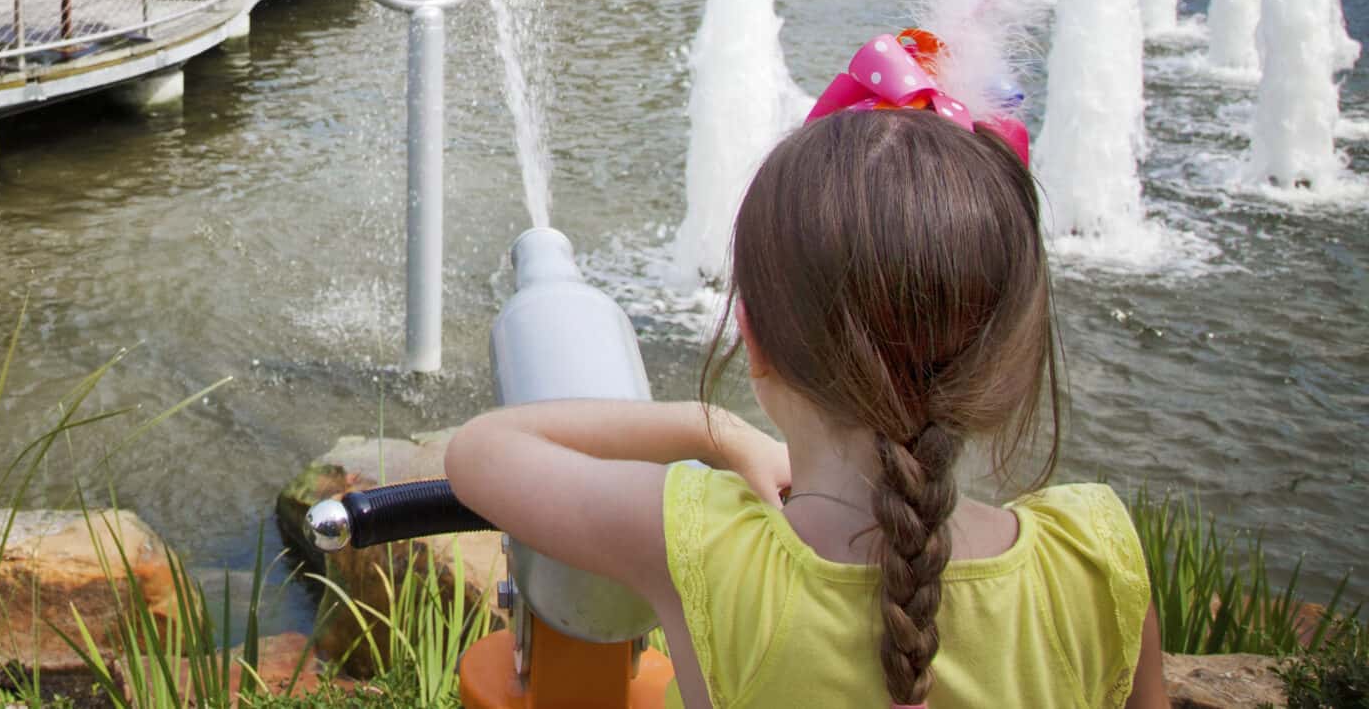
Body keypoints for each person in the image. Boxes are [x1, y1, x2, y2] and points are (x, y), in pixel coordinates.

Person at [443, 82, 1163, 709]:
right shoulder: (1097, 558)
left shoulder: (708, 546)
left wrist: (711, 430)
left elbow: (481, 451)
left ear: (751, 337)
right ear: (1008, 354)